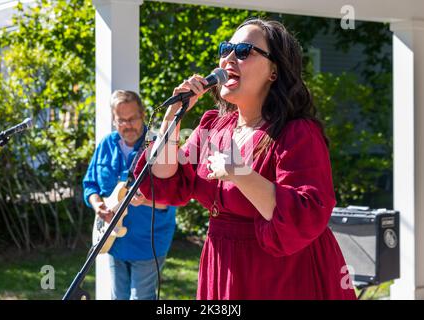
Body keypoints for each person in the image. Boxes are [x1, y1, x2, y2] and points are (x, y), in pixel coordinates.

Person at [134, 18, 357, 300]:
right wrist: (172, 118)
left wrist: (240, 173)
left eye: (243, 51)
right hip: (223, 266)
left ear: (274, 71)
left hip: (285, 275)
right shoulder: (213, 125)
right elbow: (165, 183)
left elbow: (305, 215)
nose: (228, 58)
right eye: (226, 48)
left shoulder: (298, 132)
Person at [83, 90, 176, 300]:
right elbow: (90, 184)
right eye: (122, 120)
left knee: (141, 298)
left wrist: (147, 200)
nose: (128, 124)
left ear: (143, 114)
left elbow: (172, 199)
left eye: (133, 118)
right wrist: (98, 205)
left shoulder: (157, 146)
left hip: (148, 241)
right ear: (114, 121)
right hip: (113, 240)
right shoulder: (107, 144)